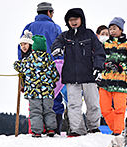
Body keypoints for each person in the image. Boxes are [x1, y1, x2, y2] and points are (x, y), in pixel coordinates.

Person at [51, 8, 106, 137]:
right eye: (70, 20)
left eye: (76, 19)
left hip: (89, 75)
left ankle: (94, 127)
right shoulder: (65, 36)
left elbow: (99, 52)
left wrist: (98, 68)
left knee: (92, 103)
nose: (73, 22)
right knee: (73, 105)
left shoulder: (89, 34)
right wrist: (58, 48)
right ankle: (77, 129)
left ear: (82, 19)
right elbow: (56, 43)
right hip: (71, 76)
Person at [18, 2, 65, 135]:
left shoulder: (28, 27)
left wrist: (23, 69)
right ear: (50, 13)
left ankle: (37, 130)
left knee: (34, 103)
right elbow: (62, 50)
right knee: (54, 100)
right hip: (51, 68)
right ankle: (53, 129)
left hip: (32, 71)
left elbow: (21, 48)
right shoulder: (56, 28)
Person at [98, 17, 127, 135]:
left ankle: (118, 131)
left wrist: (120, 67)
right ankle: (116, 128)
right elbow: (99, 58)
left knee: (120, 109)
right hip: (105, 82)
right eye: (110, 29)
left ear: (121, 30)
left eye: (114, 28)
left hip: (121, 83)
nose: (112, 31)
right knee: (105, 109)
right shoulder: (105, 44)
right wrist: (105, 65)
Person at [14, 35, 59, 137]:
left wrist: (16, 64)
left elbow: (18, 66)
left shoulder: (29, 60)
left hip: (33, 92)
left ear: (33, 47)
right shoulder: (49, 60)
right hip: (47, 92)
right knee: (48, 110)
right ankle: (51, 129)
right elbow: (56, 76)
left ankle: (37, 131)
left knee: (35, 111)